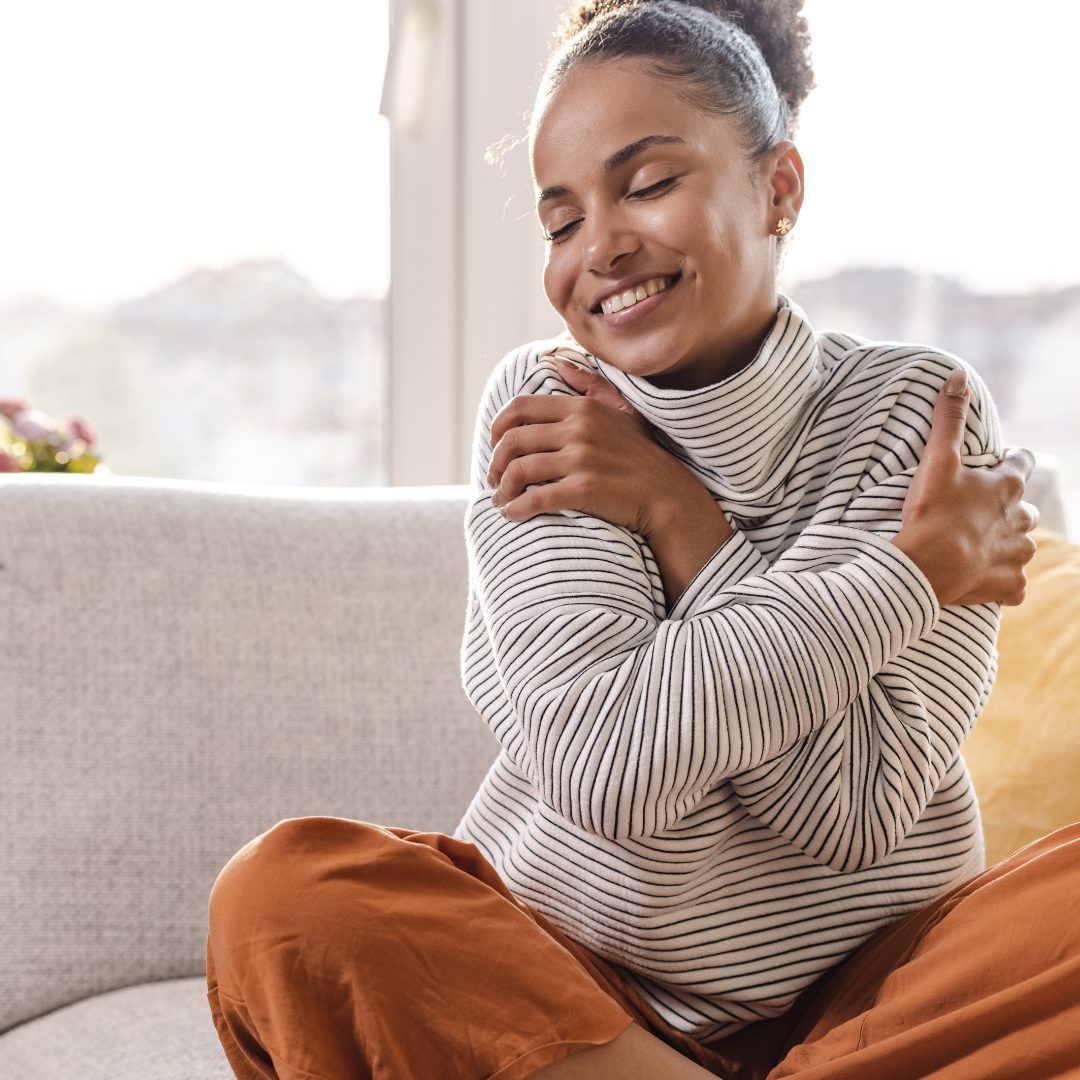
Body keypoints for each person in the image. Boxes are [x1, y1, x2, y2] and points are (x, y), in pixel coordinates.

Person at [205, 2, 1078, 1077]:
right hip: (574, 996)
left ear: (779, 188)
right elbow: (608, 770)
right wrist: (905, 579)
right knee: (286, 895)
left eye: (650, 183)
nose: (601, 247)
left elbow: (852, 815)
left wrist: (682, 518)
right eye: (561, 220)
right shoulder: (547, 406)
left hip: (868, 995)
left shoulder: (914, 412)